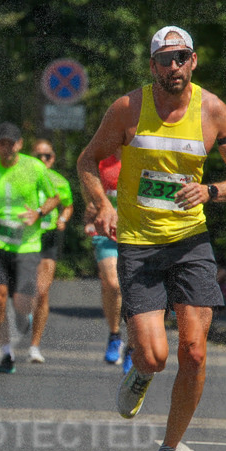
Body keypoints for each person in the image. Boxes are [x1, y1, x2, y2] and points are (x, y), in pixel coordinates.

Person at [77, 25, 226, 451]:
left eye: (181, 58)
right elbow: (87, 161)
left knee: (194, 352)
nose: (173, 67)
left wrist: (212, 190)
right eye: (165, 59)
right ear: (152, 65)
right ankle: (141, 372)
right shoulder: (127, 109)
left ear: (193, 61)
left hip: (191, 242)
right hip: (139, 242)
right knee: (156, 356)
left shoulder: (213, 110)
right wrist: (104, 205)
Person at [0, 122, 59, 374]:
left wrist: (38, 213)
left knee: (22, 301)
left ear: (19, 144)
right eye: (1, 143)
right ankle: (6, 354)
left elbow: (54, 197)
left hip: (27, 243)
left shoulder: (35, 167)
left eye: (11, 142)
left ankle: (22, 316)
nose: (7, 147)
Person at [27, 139, 72, 364]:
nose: (42, 160)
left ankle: (34, 345)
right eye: (38, 156)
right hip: (25, 237)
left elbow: (68, 205)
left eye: (47, 156)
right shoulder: (23, 177)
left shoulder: (60, 181)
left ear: (53, 159)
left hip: (48, 236)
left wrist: (63, 218)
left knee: (42, 291)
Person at [82, 152, 128, 369]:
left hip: (139, 232)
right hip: (106, 232)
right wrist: (91, 207)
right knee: (112, 284)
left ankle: (135, 347)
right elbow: (87, 181)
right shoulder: (101, 161)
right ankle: (115, 335)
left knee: (136, 290)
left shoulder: (144, 155)